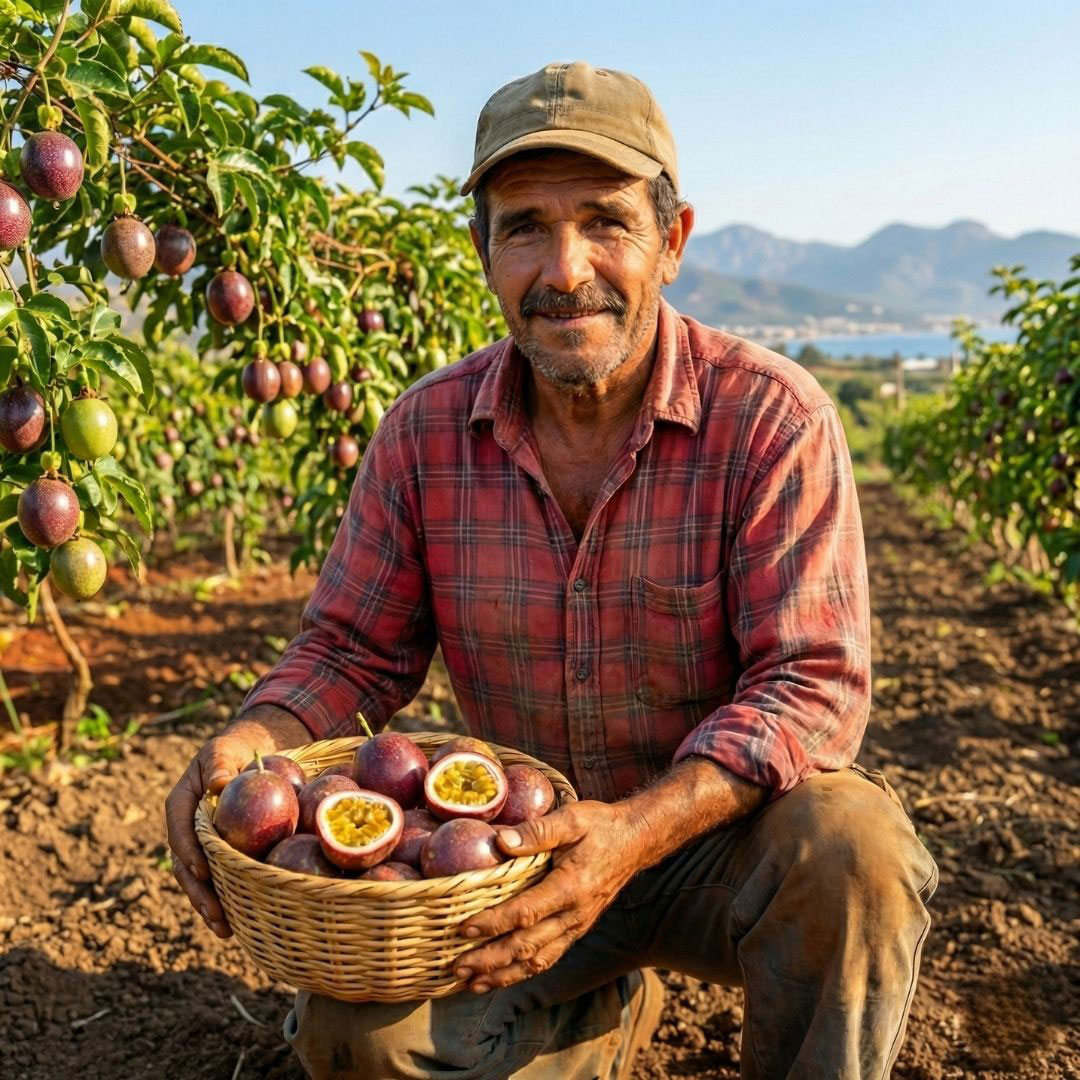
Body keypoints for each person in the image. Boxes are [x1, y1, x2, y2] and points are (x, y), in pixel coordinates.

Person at [166, 61, 938, 1079]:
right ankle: (597, 1018)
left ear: (672, 240)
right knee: (359, 1042)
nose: (565, 267)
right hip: (505, 868)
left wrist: (626, 836)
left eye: (605, 221)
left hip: (715, 846)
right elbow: (353, 648)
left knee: (854, 850)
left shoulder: (771, 419)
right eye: (524, 226)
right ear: (482, 250)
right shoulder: (426, 434)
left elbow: (811, 686)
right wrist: (252, 739)